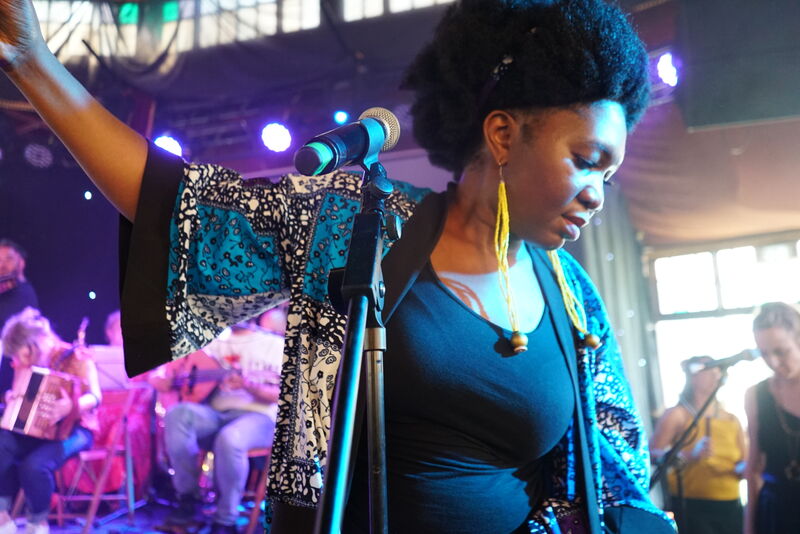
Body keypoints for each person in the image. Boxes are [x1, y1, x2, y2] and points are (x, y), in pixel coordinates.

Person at [0, 0, 675, 532]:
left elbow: (611, 476)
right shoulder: (362, 226)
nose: (597, 190)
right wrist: (34, 63)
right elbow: (179, 207)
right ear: (502, 135)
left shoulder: (574, 295)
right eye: (586, 159)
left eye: (609, 174)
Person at [150, 320, 283, 534]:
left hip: (261, 417)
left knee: (230, 438)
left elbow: (283, 394)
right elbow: (162, 372)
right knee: (178, 414)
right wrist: (161, 378)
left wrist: (248, 386)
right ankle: (188, 499)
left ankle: (226, 521)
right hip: (215, 414)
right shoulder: (212, 342)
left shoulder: (275, 344)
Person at [0, 308, 102, 534]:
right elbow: (23, 396)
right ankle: (2, 515)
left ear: (37, 341)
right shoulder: (25, 363)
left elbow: (96, 396)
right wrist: (12, 398)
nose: (20, 361)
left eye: (23, 354)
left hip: (77, 429)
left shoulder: (75, 355)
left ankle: (37, 524)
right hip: (38, 430)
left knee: (34, 465)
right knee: (2, 442)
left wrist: (71, 406)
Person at [650, 356, 747, 534]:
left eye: (716, 370)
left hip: (730, 505)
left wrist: (747, 468)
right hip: (691, 506)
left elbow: (744, 460)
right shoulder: (677, 415)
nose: (715, 374)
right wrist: (688, 456)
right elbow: (651, 454)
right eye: (708, 369)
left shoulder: (732, 419)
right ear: (693, 375)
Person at [745, 302, 800, 534]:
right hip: (776, 511)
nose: (773, 363)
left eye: (781, 351)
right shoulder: (757, 395)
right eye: (764, 353)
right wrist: (748, 527)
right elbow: (754, 468)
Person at [0, 240, 39, 397]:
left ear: (21, 263)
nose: (2, 265)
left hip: (13, 368)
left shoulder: (25, 293)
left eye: (8, 259)